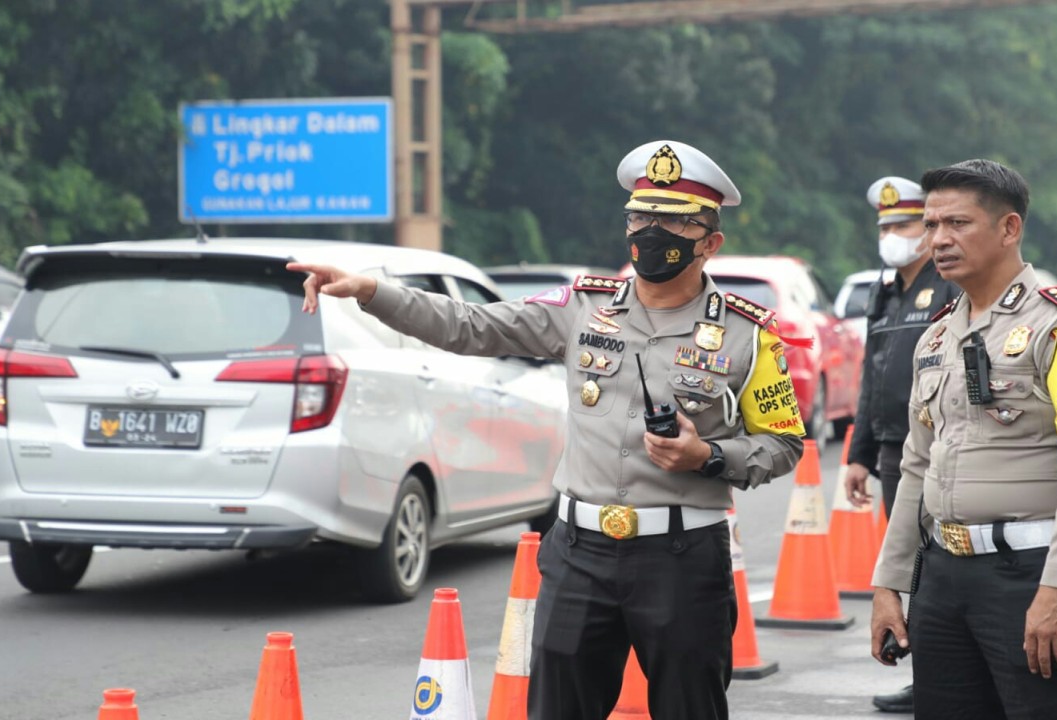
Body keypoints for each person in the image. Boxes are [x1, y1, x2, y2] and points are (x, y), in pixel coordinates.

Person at [288, 140, 805, 720]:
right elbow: (469, 325)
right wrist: (370, 291)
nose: (650, 231)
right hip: (580, 553)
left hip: (683, 558)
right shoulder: (583, 308)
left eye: (673, 221)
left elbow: (783, 444)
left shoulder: (747, 334)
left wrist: (705, 455)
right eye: (640, 215)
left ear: (710, 243)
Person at [869, 159, 1057, 719]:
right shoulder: (936, 335)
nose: (939, 239)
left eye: (957, 223)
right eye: (931, 224)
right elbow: (916, 465)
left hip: (1032, 577)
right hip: (942, 577)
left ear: (1009, 229)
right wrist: (889, 584)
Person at [842, 175, 958, 714]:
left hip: (940, 447)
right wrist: (858, 455)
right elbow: (873, 375)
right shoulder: (883, 292)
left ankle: (945, 673)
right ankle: (925, 672)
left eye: (905, 224)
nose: (893, 234)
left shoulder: (948, 284)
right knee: (909, 565)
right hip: (893, 449)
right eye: (886, 225)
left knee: (938, 564)